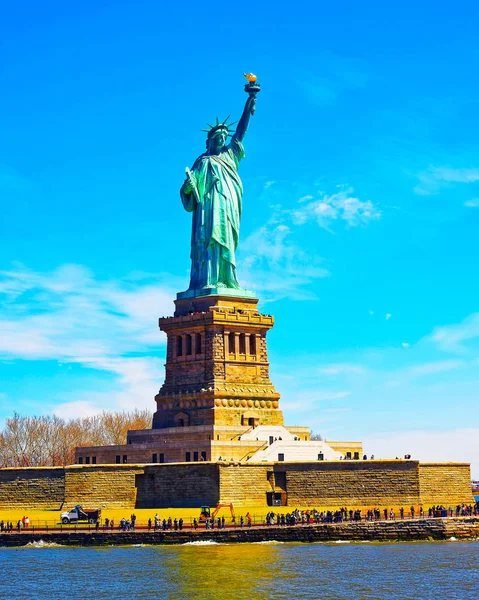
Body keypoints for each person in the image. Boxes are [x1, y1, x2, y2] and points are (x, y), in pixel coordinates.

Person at [180, 88, 258, 294]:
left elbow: (240, 133)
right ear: (210, 141)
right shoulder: (202, 161)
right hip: (207, 209)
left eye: (224, 137)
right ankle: (206, 279)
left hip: (227, 206)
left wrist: (247, 108)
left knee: (226, 241)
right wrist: (188, 187)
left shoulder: (230, 155)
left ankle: (227, 279)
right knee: (208, 240)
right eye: (218, 137)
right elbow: (189, 191)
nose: (222, 140)